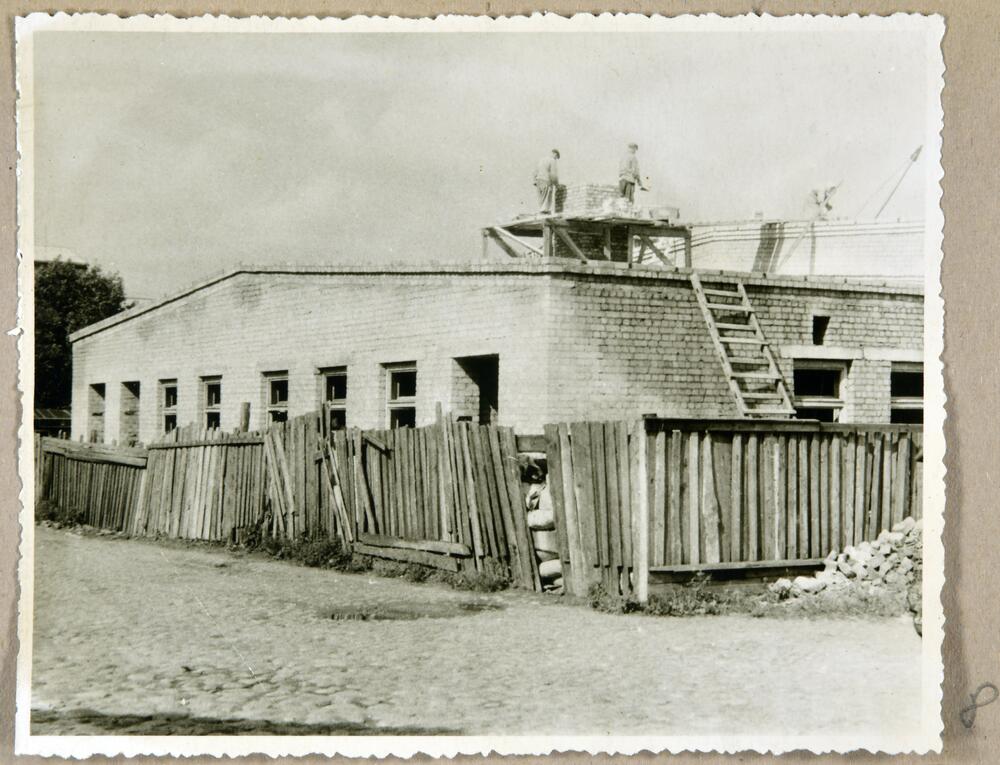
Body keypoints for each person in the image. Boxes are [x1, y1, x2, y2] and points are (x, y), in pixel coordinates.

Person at [533, 149, 560, 214]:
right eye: (556, 157)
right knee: (547, 197)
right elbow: (553, 174)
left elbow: (535, 172)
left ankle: (542, 211)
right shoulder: (552, 160)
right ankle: (544, 211)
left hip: (539, 181)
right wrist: (557, 184)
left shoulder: (542, 160)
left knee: (541, 198)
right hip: (546, 180)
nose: (556, 159)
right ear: (555, 154)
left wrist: (535, 181)